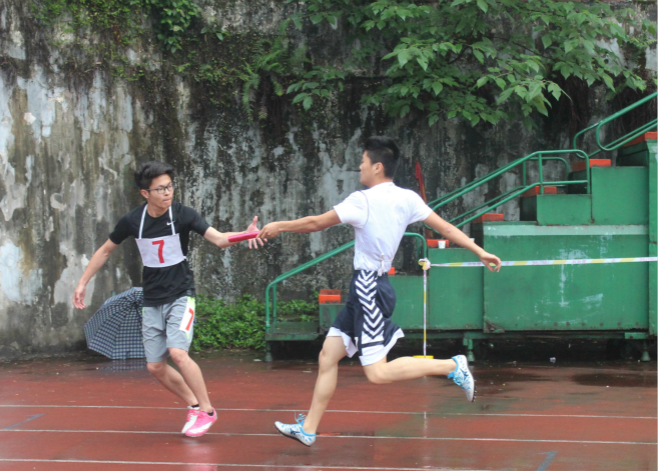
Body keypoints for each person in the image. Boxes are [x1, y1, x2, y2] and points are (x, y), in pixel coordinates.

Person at [257, 136, 502, 446]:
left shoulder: (363, 200)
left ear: (377, 167)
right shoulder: (408, 198)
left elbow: (317, 223)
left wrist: (280, 225)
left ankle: (452, 366)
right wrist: (480, 251)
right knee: (328, 355)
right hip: (367, 287)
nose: (359, 167)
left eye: (362, 162)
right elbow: (446, 228)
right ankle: (308, 429)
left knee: (377, 373)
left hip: (368, 288)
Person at [73, 161, 262, 438]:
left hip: (181, 295)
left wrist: (247, 234)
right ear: (145, 193)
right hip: (151, 298)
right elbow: (105, 251)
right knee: (155, 366)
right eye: (160, 188)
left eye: (170, 186)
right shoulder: (132, 221)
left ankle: (207, 411)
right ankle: (194, 405)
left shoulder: (183, 214)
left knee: (178, 353)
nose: (167, 192)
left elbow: (220, 239)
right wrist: (82, 282)